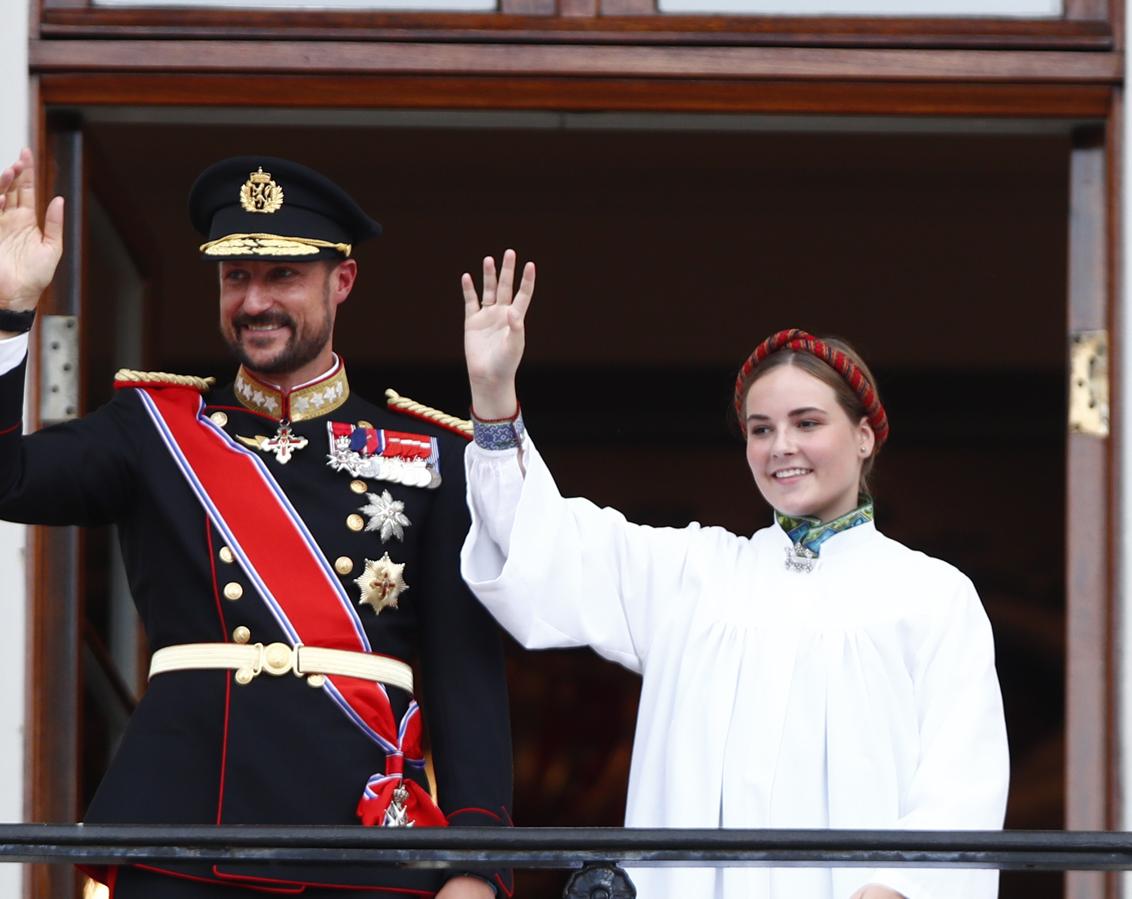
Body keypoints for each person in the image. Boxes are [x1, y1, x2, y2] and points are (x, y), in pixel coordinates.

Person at [0, 149, 512, 898]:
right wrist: (11, 315)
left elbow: (466, 672)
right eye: (236, 276)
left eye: (282, 276)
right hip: (185, 832)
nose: (254, 301)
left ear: (342, 281)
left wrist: (478, 865)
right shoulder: (154, 428)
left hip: (363, 837)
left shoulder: (435, 454)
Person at [458, 250, 1009, 899]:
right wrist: (494, 397)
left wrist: (893, 888)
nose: (782, 447)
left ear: (864, 437)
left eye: (808, 423)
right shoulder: (696, 574)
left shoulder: (931, 594)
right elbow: (548, 545)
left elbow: (962, 779)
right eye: (760, 428)